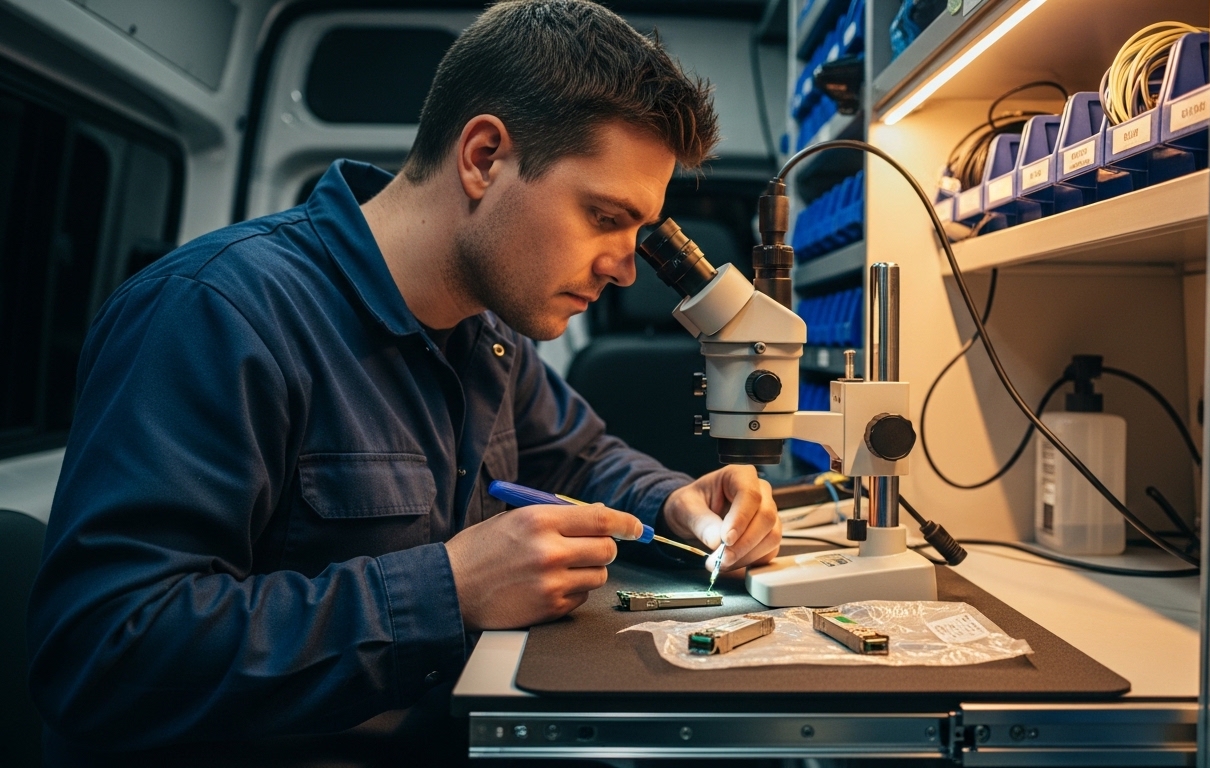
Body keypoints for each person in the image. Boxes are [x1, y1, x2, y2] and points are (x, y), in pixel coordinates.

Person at [27, 1, 781, 764]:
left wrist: (677, 502)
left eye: (639, 235)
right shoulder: (215, 316)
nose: (624, 267)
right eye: (604, 216)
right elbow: (104, 651)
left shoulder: (488, 336)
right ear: (484, 156)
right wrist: (448, 590)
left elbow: (581, 459)